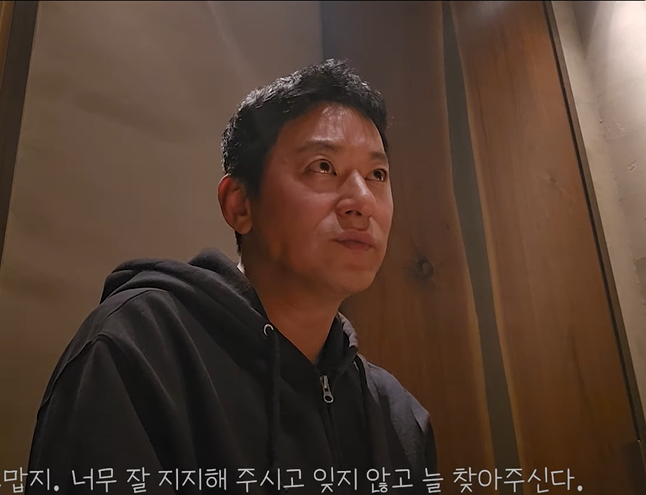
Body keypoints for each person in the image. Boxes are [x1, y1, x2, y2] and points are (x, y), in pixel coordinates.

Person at [26, 59, 436, 495]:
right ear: (239, 204)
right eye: (322, 166)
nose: (362, 200)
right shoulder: (139, 351)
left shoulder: (398, 419)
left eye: (377, 175)